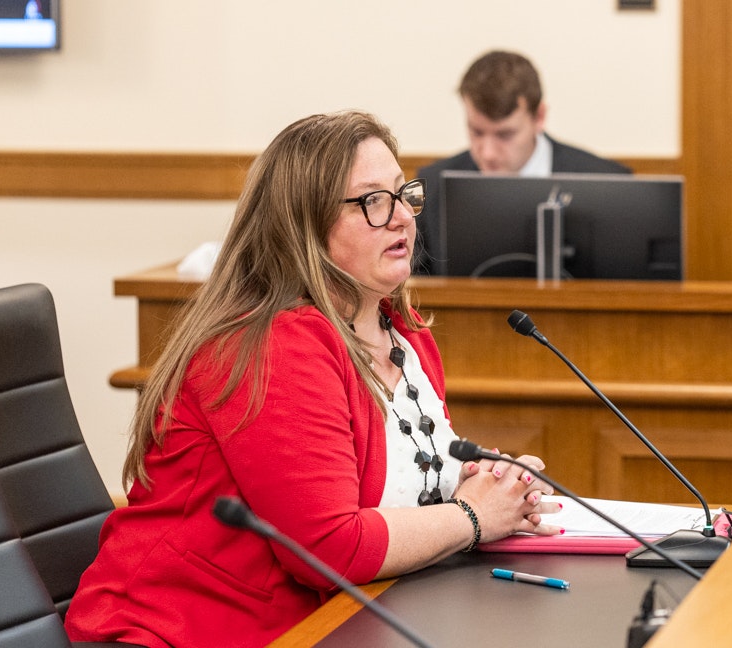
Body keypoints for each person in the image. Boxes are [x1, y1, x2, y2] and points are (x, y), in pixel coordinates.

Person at [64, 111, 561, 648]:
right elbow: (328, 549)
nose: (401, 219)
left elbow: (386, 478)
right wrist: (474, 516)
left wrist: (482, 478)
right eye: (373, 202)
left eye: (403, 194)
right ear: (305, 226)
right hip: (179, 632)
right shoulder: (275, 345)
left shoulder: (400, 327)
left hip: (332, 624)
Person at [415, 50, 631, 273]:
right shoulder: (433, 188)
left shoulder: (608, 184)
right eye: (477, 132)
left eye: (504, 135)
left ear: (539, 117)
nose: (487, 153)